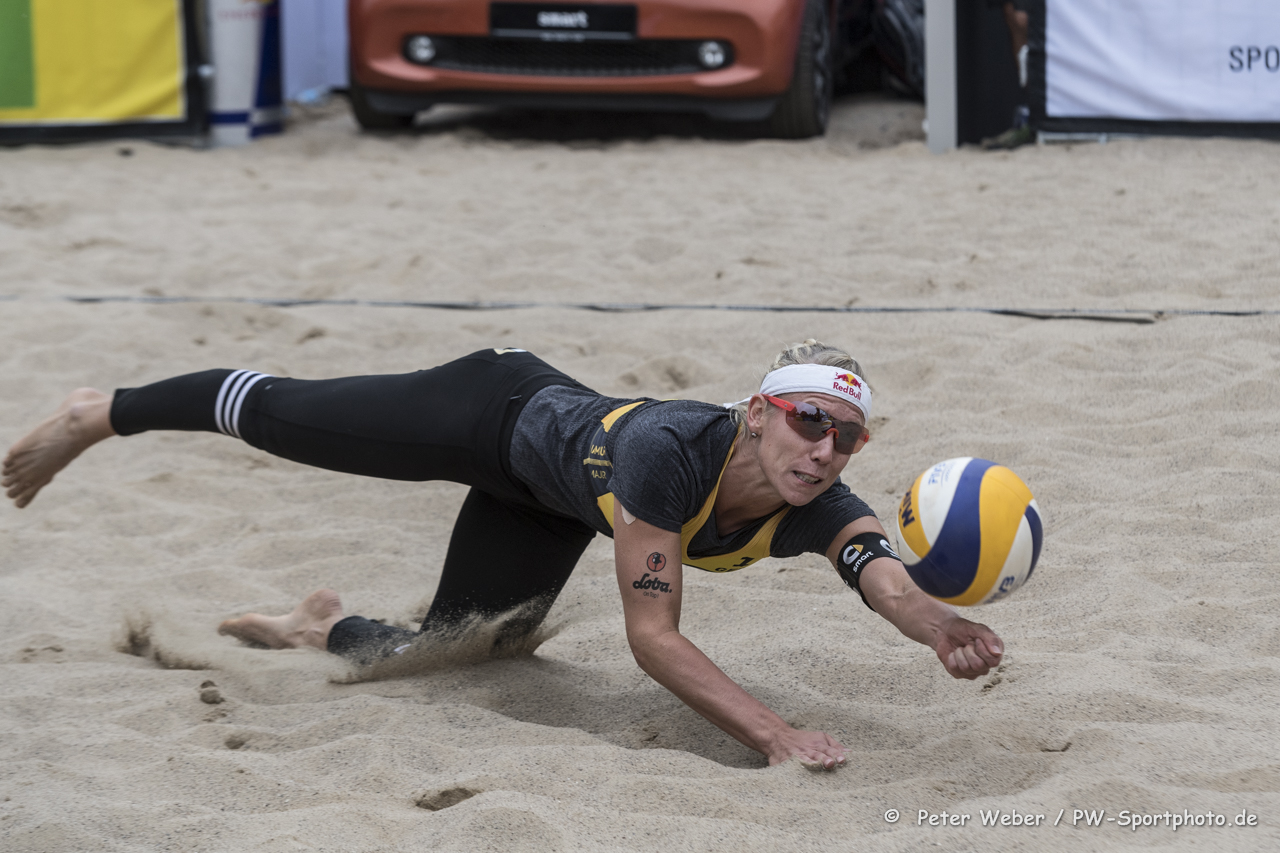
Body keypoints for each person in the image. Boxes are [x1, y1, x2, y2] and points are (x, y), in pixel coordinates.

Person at [2, 341, 1004, 770]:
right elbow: (653, 637)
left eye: (845, 435)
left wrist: (940, 627)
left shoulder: (819, 499)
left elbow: (881, 575)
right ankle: (102, 411)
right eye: (806, 420)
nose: (824, 448)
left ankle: (316, 623)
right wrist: (775, 733)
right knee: (282, 415)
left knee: (452, 653)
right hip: (487, 411)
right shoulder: (670, 453)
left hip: (547, 506)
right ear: (756, 412)